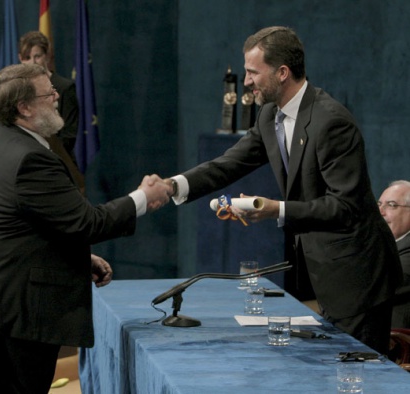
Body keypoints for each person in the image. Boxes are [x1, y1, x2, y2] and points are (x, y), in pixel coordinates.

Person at [153, 26, 401, 355]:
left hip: (359, 278)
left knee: (355, 377)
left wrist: (276, 209)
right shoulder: (270, 115)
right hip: (328, 274)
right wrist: (173, 186)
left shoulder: (332, 122)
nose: (246, 81)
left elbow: (345, 206)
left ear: (282, 73)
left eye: (253, 72)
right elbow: (229, 163)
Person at [0, 63, 170, 393]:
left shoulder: (3, 138)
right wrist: (142, 197)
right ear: (23, 107)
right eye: (48, 93)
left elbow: (25, 224)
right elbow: (87, 222)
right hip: (11, 309)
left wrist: (75, 258)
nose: (57, 98)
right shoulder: (29, 157)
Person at [18, 30, 79, 164]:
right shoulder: (19, 91)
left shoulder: (65, 88)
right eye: (27, 58)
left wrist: (42, 152)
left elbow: (69, 135)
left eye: (37, 56)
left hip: (60, 162)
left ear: (47, 56)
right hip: (27, 160)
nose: (32, 62)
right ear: (20, 59)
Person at [378, 180, 410, 328]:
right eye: (379, 204)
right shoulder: (380, 243)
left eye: (391, 205)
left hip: (396, 341)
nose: (381, 211)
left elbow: (381, 286)